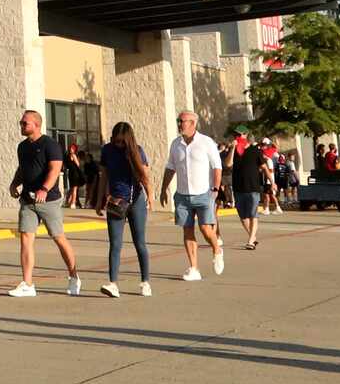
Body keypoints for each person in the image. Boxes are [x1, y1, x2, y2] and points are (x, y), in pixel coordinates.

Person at [6, 109, 81, 298]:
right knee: (25, 238)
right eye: (21, 122)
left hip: (49, 200)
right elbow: (22, 168)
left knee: (58, 237)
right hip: (28, 200)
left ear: (36, 125)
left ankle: (74, 276)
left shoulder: (50, 144)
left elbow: (55, 170)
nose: (21, 126)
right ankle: (28, 284)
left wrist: (44, 189)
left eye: (25, 123)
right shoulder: (22, 147)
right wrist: (15, 183)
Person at [159, 109, 224, 282]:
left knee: (205, 229)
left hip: (204, 193)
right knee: (187, 230)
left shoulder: (206, 142)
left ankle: (217, 249)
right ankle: (194, 268)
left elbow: (217, 166)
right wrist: (163, 188)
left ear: (193, 123)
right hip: (182, 195)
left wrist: (216, 189)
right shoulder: (176, 144)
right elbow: (170, 167)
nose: (180, 124)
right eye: (178, 121)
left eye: (182, 121)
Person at [100, 121, 153, 299]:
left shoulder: (137, 151)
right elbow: (104, 176)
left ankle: (145, 281)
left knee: (140, 243)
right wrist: (100, 198)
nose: (119, 145)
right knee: (115, 244)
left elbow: (145, 176)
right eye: (116, 141)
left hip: (136, 201)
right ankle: (113, 283)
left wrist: (150, 198)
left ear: (128, 140)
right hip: (115, 202)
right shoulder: (107, 150)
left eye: (122, 142)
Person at [229, 136, 268, 251]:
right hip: (238, 188)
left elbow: (264, 167)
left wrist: (272, 181)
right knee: (243, 216)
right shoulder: (234, 151)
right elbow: (228, 164)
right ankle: (253, 236)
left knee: (253, 214)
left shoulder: (255, 151)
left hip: (253, 188)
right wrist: (232, 148)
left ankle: (250, 241)